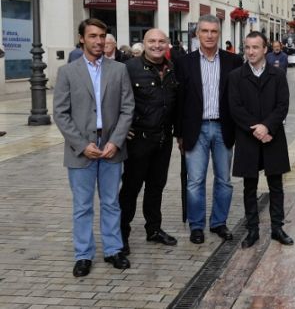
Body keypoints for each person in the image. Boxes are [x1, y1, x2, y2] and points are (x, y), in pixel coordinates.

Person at [53, 18, 134, 277]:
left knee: (111, 203)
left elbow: (127, 108)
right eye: (93, 36)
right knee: (82, 206)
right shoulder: (67, 72)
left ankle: (113, 250)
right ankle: (83, 255)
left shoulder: (119, 70)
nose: (99, 41)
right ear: (82, 39)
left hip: (111, 146)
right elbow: (61, 113)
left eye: (102, 36)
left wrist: (115, 141)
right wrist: (80, 144)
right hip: (81, 149)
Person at [175, 15, 243, 244]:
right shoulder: (185, 62)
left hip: (224, 128)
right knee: (195, 181)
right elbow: (179, 100)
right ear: (197, 34)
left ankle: (218, 223)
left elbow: (238, 98)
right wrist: (179, 134)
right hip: (197, 129)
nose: (209, 35)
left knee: (224, 180)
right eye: (205, 31)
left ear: (219, 33)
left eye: (214, 31)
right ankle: (196, 225)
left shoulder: (233, 61)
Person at [229, 31, 294, 248]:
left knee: (276, 184)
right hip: (249, 138)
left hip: (272, 137)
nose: (251, 51)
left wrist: (267, 126)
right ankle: (252, 230)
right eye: (247, 47)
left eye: (255, 47)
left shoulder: (278, 75)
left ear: (265, 49)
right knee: (250, 186)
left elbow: (282, 105)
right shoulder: (236, 76)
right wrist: (255, 129)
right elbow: (235, 107)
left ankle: (277, 228)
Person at [119, 29, 180, 255]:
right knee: (131, 189)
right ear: (143, 44)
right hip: (139, 140)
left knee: (156, 187)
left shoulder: (172, 69)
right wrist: (120, 129)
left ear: (167, 44)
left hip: (163, 140)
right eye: (152, 41)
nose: (157, 45)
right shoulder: (129, 69)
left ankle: (153, 229)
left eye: (161, 41)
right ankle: (121, 235)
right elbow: (114, 99)